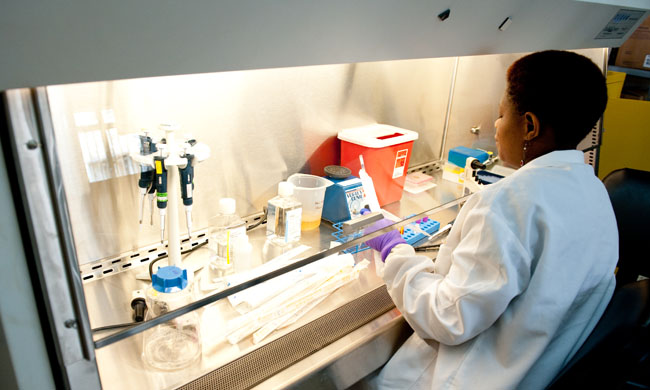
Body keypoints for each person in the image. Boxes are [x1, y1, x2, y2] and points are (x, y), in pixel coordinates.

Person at [365, 50, 618, 389]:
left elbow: (448, 317)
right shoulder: (594, 190)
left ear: (529, 126)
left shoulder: (509, 203)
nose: (496, 127)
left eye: (501, 115)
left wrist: (395, 253)